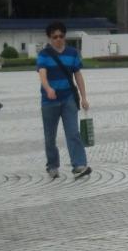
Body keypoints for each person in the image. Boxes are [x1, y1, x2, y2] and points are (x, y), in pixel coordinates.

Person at [37, 21, 91, 178]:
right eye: (54, 37)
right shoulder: (44, 54)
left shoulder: (72, 53)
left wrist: (84, 97)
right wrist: (48, 89)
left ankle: (79, 165)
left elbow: (78, 75)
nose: (58, 39)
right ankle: (52, 166)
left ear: (65, 36)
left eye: (61, 36)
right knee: (50, 137)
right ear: (49, 38)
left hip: (68, 99)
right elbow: (42, 74)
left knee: (73, 133)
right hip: (49, 101)